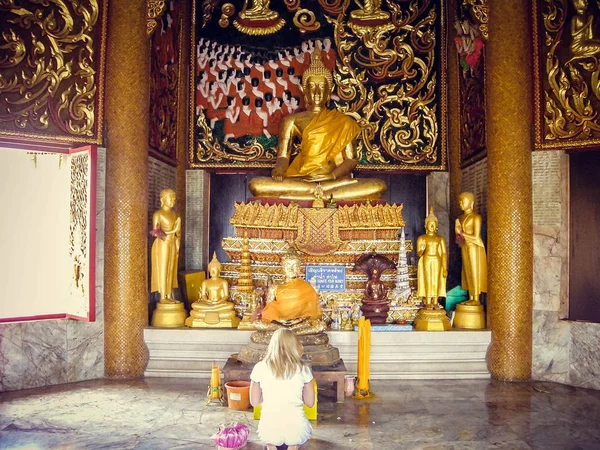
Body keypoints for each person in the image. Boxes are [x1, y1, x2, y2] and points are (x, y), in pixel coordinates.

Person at [248, 47, 387, 201]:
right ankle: (323, 194)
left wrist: (332, 176)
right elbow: (283, 156)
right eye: (312, 87)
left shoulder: (344, 122)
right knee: (257, 185)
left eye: (322, 87)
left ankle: (317, 193)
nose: (317, 93)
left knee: (377, 185)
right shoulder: (291, 121)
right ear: (303, 89)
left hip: (334, 180)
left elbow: (351, 159)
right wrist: (279, 169)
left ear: (330, 90)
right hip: (301, 179)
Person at [250, 328, 315, 450]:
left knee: (270, 435)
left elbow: (254, 402)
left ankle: (271, 445)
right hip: (297, 429)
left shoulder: (260, 367)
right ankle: (293, 445)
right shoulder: (303, 369)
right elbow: (310, 403)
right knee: (298, 434)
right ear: (295, 346)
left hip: (268, 429)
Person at [261, 249, 322, 323]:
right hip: (280, 322)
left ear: (299, 268)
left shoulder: (306, 287)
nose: (291, 269)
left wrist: (297, 320)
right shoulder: (275, 287)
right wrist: (280, 320)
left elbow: (311, 312)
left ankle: (289, 330)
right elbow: (269, 310)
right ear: (283, 267)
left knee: (320, 326)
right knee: (259, 324)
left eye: (294, 266)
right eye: (288, 265)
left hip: (299, 323)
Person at [455, 192, 487, 305]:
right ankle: (471, 296)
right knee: (467, 271)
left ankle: (476, 299)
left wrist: (462, 234)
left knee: (474, 271)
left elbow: (476, 236)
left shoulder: (476, 217)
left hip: (474, 247)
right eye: (460, 201)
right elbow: (459, 237)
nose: (460, 203)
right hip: (465, 247)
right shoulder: (460, 218)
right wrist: (458, 232)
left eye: (463, 201)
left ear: (470, 202)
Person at [150, 189, 181, 303]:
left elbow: (178, 233)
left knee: (171, 268)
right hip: (162, 243)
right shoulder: (158, 214)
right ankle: (163, 296)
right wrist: (173, 230)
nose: (173, 200)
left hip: (172, 243)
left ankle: (169, 294)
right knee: (163, 268)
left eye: (174, 197)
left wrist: (177, 241)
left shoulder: (174, 214)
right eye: (170, 197)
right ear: (163, 199)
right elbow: (155, 232)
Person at [416, 207, 447, 309]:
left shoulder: (440, 238)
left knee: (436, 280)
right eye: (430, 224)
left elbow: (443, 253)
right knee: (428, 279)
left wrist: (445, 268)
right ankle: (428, 301)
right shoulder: (422, 238)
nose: (432, 226)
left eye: (434, 224)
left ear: (437, 226)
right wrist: (423, 249)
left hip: (437, 259)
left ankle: (436, 300)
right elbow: (419, 253)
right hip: (427, 259)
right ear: (426, 225)